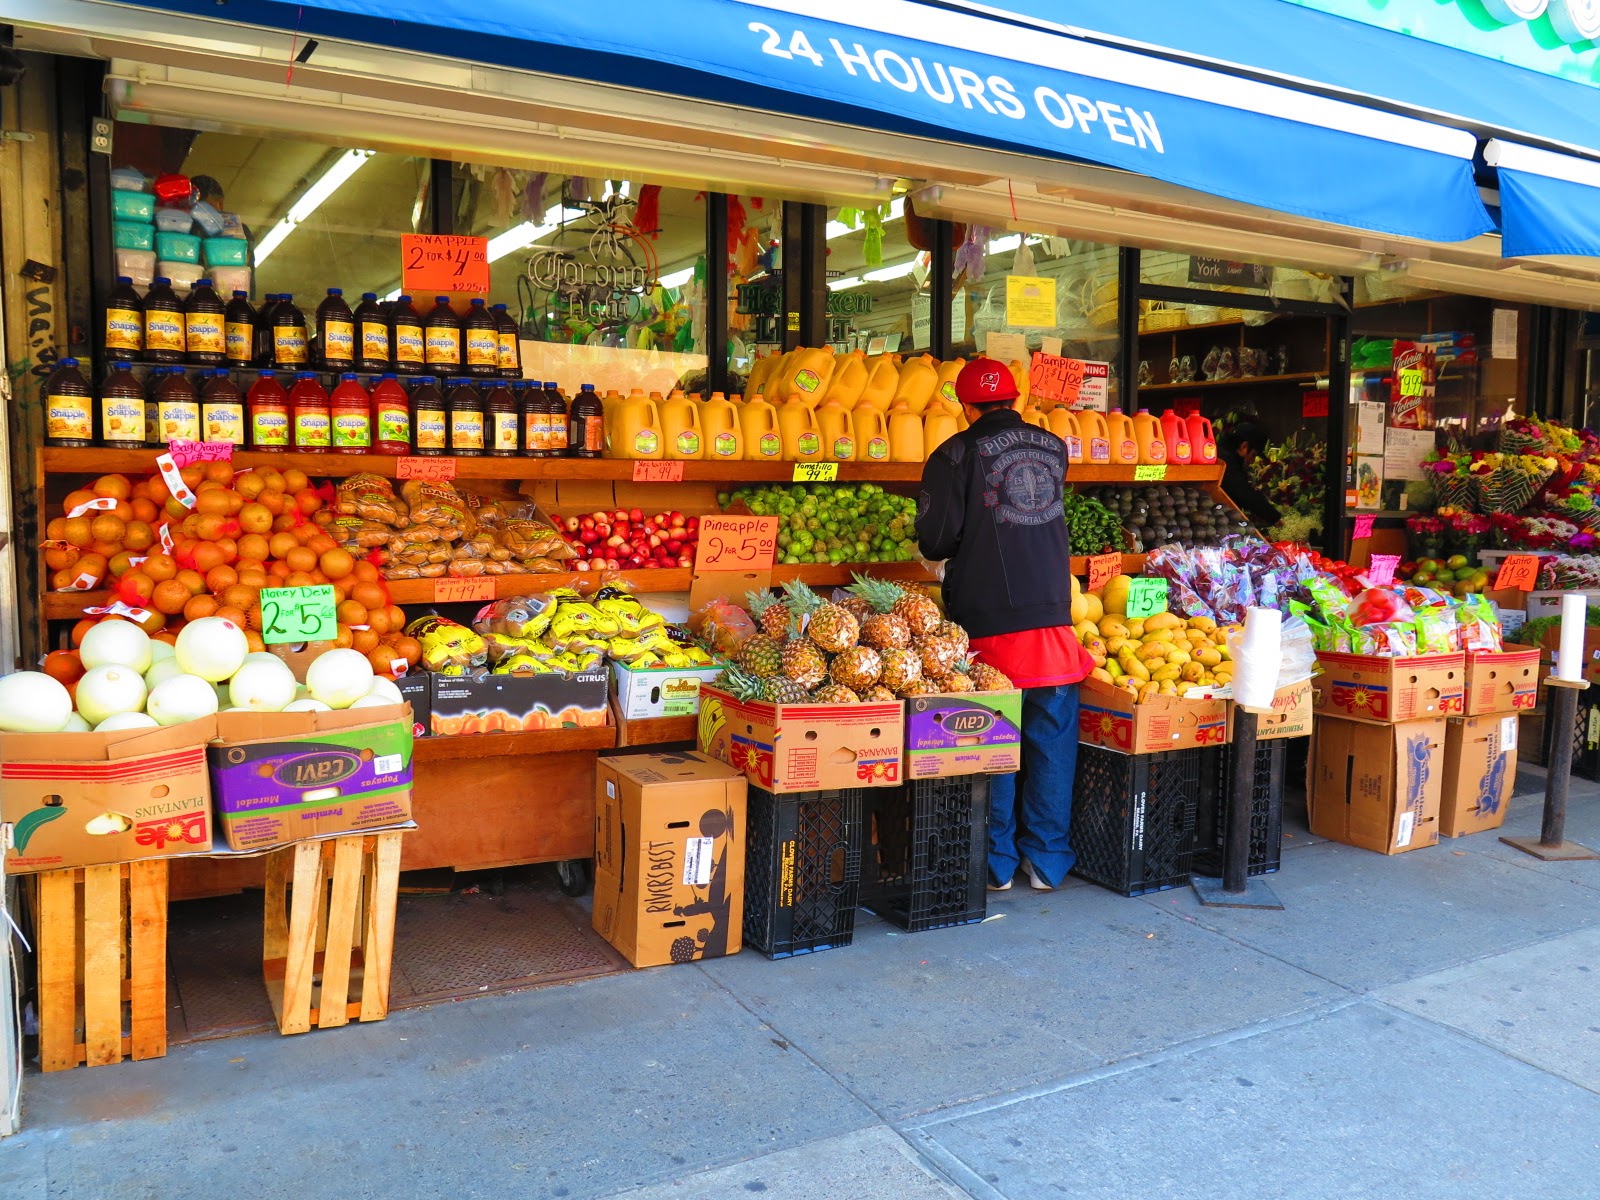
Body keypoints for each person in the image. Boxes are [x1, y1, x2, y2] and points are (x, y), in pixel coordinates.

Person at [916, 357, 1094, 892]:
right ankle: (1046, 863)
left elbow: (935, 540)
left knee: (991, 740)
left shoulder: (953, 453)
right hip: (1054, 620)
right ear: (1015, 401)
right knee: (1051, 742)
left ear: (966, 407)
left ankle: (994, 865)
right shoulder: (1054, 447)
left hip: (989, 624)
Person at [1218, 419, 1282, 531]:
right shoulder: (1226, 461)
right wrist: (1275, 518)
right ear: (1244, 447)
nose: (1252, 461)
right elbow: (1243, 493)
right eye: (1253, 455)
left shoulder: (1222, 453)